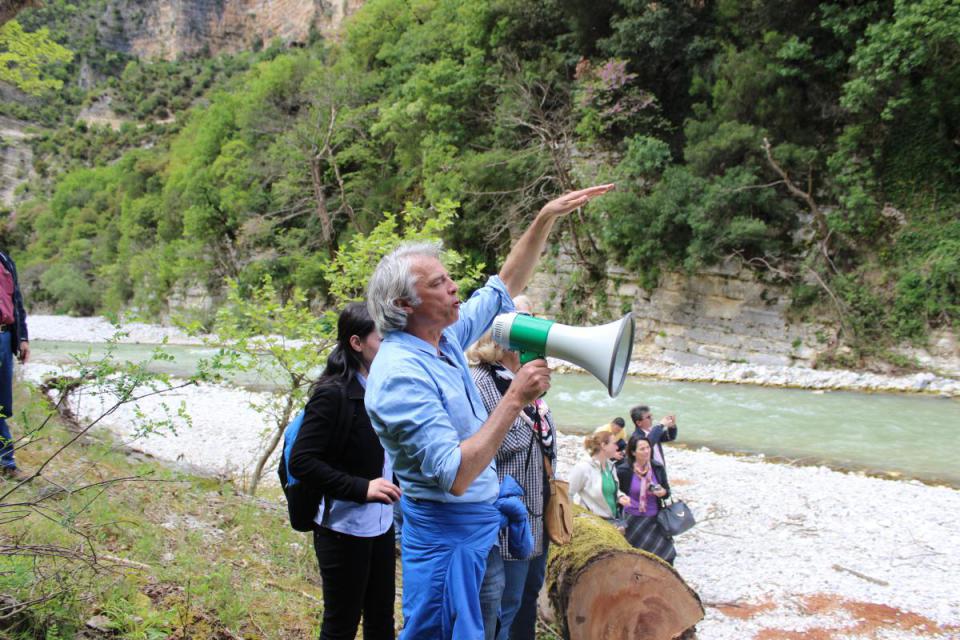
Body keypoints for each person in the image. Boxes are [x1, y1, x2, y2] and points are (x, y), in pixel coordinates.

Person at [365, 184, 614, 640]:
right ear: (405, 305)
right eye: (438, 283)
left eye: (449, 277)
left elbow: (504, 285)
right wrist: (514, 398)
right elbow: (456, 474)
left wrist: (545, 218)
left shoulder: (444, 341)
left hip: (480, 532)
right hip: (447, 543)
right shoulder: (400, 374)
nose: (454, 286)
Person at [288, 302, 401, 640]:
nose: (390, 348)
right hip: (342, 529)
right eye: (382, 339)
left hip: (381, 527)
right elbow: (302, 461)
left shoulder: (383, 390)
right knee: (341, 625)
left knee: (382, 622)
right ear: (356, 343)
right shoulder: (332, 395)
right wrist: (362, 488)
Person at [468, 331, 555, 640]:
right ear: (500, 337)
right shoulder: (481, 384)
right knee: (503, 610)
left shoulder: (518, 380)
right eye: (524, 324)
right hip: (507, 524)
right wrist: (519, 400)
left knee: (526, 600)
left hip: (536, 518)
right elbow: (484, 448)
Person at [617, 435, 676, 564]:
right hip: (632, 520)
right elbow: (617, 494)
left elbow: (667, 492)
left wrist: (663, 492)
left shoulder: (657, 468)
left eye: (648, 448)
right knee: (636, 560)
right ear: (633, 452)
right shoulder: (623, 471)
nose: (646, 451)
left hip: (655, 518)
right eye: (642, 449)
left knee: (667, 556)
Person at [0, 249, 29, 481]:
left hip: (4, 336)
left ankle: (6, 464)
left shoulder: (5, 259)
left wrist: (22, 338)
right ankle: (7, 463)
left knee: (1, 405)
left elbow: (16, 300)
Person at [568, 431, 629, 525]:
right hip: (592, 524)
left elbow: (611, 489)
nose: (617, 447)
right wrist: (576, 517)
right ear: (603, 445)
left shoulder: (611, 465)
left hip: (612, 521)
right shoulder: (583, 468)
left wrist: (620, 496)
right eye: (614, 444)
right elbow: (567, 494)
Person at [628, 404, 678, 471]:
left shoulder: (652, 432)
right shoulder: (636, 436)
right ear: (639, 423)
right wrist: (660, 425)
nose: (652, 418)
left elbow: (670, 437)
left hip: (660, 468)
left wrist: (672, 426)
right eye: (648, 417)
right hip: (650, 472)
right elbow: (649, 442)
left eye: (651, 416)